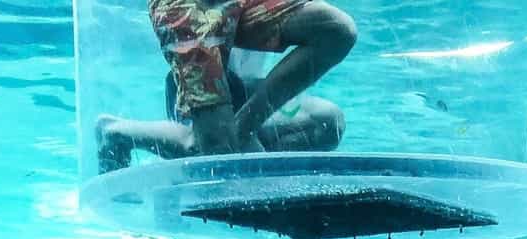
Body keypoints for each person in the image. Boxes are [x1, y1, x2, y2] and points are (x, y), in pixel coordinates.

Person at [95, 0, 355, 171]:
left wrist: (247, 130)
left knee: (327, 121)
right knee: (223, 156)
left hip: (240, 36)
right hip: (193, 6)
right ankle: (116, 132)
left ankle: (239, 141)